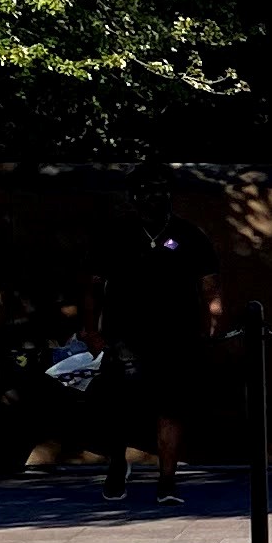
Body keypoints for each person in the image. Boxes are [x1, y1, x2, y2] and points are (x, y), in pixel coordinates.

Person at [90, 215, 223, 507]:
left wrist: (214, 316)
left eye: (160, 189)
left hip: (175, 336)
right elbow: (95, 283)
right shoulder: (118, 233)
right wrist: (91, 328)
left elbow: (208, 280)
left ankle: (167, 480)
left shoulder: (187, 234)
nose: (153, 196)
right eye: (145, 190)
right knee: (119, 406)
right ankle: (116, 466)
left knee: (171, 409)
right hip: (125, 335)